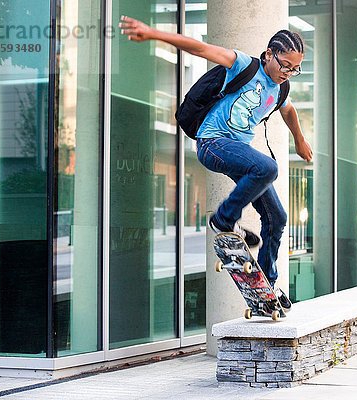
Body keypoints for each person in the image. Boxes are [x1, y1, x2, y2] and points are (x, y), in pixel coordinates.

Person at [119, 16, 313, 310]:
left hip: (234, 152)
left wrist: (299, 139)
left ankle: (267, 289)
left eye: (294, 69)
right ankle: (223, 218)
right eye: (283, 65)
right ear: (269, 55)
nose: (287, 72)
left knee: (277, 218)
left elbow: (289, 111)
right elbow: (199, 48)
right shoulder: (243, 65)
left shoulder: (281, 89)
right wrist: (152, 34)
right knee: (268, 169)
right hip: (212, 144)